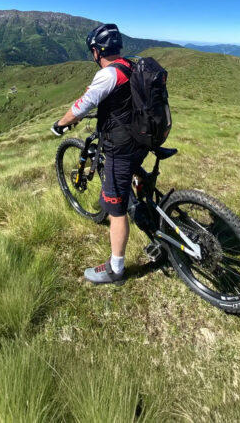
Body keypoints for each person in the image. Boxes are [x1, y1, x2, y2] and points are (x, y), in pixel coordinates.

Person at [51, 23, 148, 285]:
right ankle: (148, 212)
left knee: (116, 211)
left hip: (122, 145)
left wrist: (60, 124)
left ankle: (115, 269)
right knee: (134, 172)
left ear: (97, 51)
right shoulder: (133, 64)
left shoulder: (108, 75)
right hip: (145, 137)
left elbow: (81, 106)